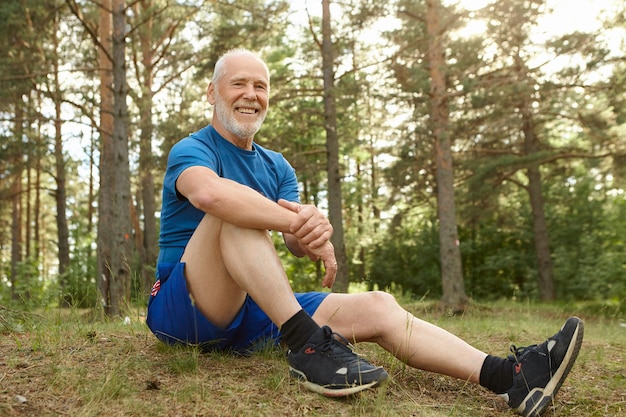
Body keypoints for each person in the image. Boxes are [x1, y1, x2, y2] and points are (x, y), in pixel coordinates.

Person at [146, 48, 584, 416]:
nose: (251, 95)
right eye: (238, 84)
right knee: (232, 212)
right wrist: (294, 220)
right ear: (213, 93)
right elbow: (209, 197)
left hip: (254, 310)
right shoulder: (193, 148)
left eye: (260, 86)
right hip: (184, 307)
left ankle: (512, 377)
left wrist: (314, 230)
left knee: (379, 305)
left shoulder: (277, 166)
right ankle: (308, 349)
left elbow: (296, 247)